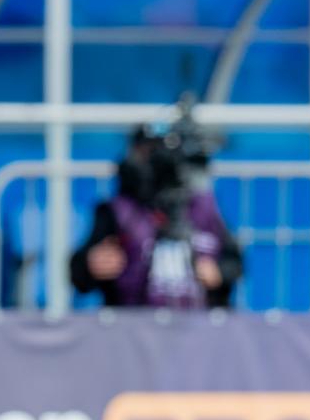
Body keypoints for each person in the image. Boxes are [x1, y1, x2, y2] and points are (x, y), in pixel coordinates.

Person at [69, 120, 241, 309]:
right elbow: (79, 275)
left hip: (199, 320)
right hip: (134, 321)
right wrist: (91, 264)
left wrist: (219, 273)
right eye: (147, 152)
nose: (158, 162)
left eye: (162, 151)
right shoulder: (117, 210)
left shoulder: (204, 206)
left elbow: (235, 262)